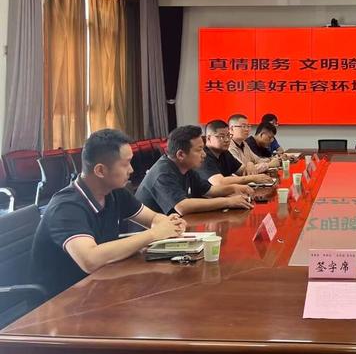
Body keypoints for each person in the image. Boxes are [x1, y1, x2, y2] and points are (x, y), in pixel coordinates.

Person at [30, 129, 186, 300]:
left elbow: (153, 218)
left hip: (100, 285)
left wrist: (169, 224)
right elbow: (90, 260)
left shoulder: (114, 192)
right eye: (125, 164)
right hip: (61, 301)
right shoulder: (66, 207)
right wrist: (154, 234)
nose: (131, 169)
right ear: (100, 170)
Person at [135, 125, 254, 216]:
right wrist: (228, 201)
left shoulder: (186, 168)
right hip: (148, 236)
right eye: (199, 150)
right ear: (181, 154)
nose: (204, 154)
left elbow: (209, 190)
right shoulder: (162, 173)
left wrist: (234, 188)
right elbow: (183, 206)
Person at [198, 119, 273, 186]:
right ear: (209, 138)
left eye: (228, 135)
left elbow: (242, 171)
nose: (227, 140)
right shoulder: (203, 156)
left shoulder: (225, 153)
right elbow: (220, 182)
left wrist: (249, 164)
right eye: (222, 136)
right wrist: (252, 178)